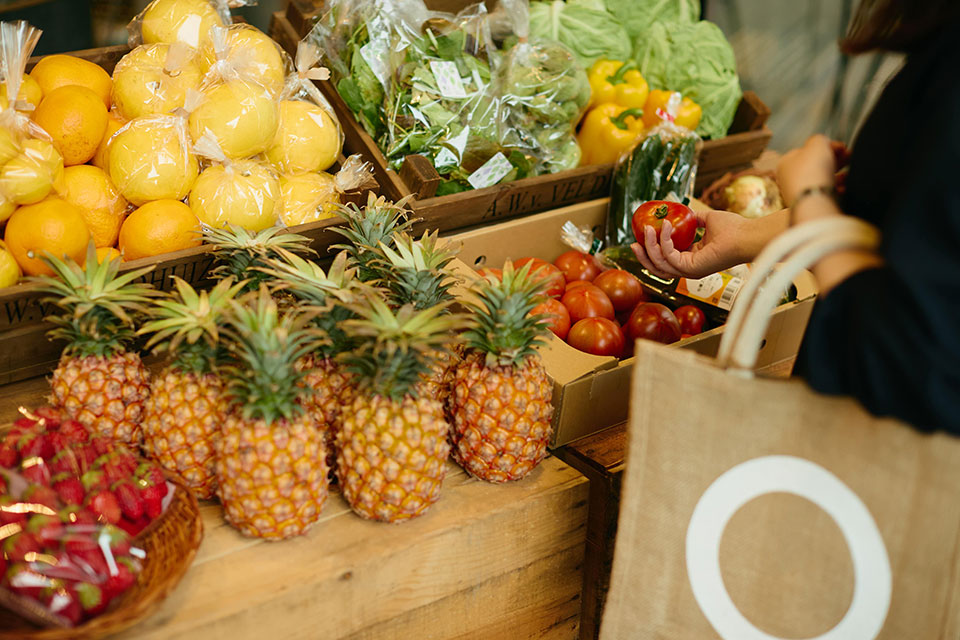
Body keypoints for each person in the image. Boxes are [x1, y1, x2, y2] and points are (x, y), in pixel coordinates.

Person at [631, 0, 960, 433]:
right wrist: (746, 236)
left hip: (889, 433)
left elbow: (909, 345)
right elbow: (908, 228)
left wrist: (810, 196)